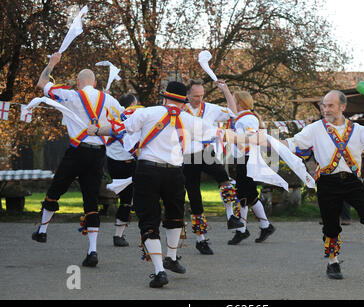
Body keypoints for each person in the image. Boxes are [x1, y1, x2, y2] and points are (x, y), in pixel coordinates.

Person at [251, 90, 364, 279]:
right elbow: (292, 143)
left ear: (343, 107)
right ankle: (333, 263)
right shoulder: (315, 129)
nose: (326, 109)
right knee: (331, 225)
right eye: (324, 105)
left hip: (351, 180)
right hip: (326, 182)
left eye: (330, 105)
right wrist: (266, 141)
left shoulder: (356, 129)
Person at [88, 81, 223, 288]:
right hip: (175, 173)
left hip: (147, 171)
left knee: (149, 220)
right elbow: (216, 133)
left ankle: (160, 270)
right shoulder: (189, 119)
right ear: (183, 101)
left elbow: (118, 129)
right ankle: (172, 256)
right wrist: (253, 137)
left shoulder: (147, 113)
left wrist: (96, 130)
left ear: (165, 97)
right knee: (175, 215)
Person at [32, 52, 123, 267]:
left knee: (56, 189)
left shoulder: (70, 95)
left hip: (77, 152)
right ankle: (92, 250)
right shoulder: (109, 99)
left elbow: (41, 83)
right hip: (98, 154)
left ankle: (43, 231)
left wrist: (51, 63)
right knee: (91, 199)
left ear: (77, 82)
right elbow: (122, 124)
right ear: (96, 83)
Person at [182, 79, 243, 255]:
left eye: (201, 95)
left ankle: (231, 216)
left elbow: (233, 112)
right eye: (195, 96)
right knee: (194, 197)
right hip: (186, 155)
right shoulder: (180, 110)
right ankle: (201, 240)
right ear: (187, 95)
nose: (199, 99)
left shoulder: (209, 108)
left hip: (206, 151)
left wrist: (226, 91)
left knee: (224, 178)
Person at [227, 91, 275, 245]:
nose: (231, 104)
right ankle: (264, 226)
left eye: (234, 101)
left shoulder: (248, 118)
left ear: (240, 103)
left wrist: (233, 139)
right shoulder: (242, 118)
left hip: (247, 159)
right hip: (243, 159)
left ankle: (242, 230)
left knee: (244, 195)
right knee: (249, 195)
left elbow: (249, 139)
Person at [106, 93, 142, 246]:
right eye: (135, 104)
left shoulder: (115, 120)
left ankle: (120, 234)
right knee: (127, 199)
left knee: (128, 199)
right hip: (124, 164)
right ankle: (118, 235)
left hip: (116, 163)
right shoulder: (129, 120)